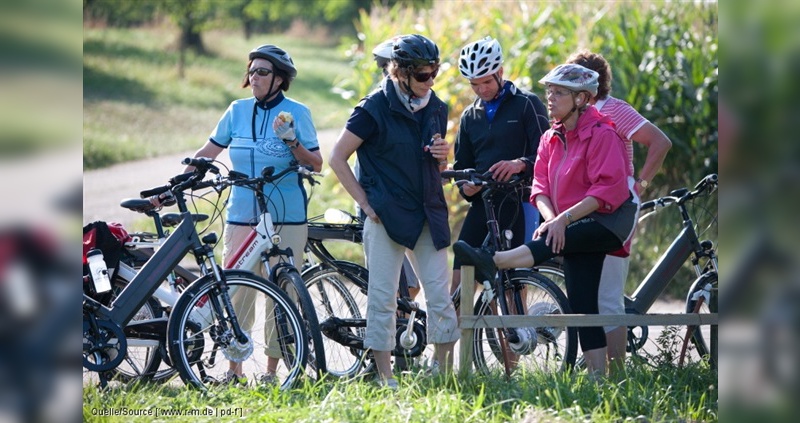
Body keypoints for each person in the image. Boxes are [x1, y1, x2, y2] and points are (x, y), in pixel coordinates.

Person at [453, 63, 639, 377]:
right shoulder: (550, 138)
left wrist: (561, 221)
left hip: (606, 222)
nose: (550, 98)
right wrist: (553, 219)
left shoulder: (602, 133)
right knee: (582, 304)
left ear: (581, 99)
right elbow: (539, 186)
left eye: (559, 92)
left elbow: (607, 189)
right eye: (549, 91)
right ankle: (599, 378)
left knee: (546, 245)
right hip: (570, 224)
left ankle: (495, 261)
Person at [186, 44, 323, 384]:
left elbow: (316, 163)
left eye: (263, 71)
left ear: (280, 79)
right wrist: (182, 176)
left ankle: (272, 371)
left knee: (282, 293)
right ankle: (235, 370)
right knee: (235, 293)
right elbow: (209, 152)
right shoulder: (236, 110)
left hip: (286, 216)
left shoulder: (297, 112)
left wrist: (292, 141)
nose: (254, 76)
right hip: (241, 215)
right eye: (251, 70)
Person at [329, 34, 459, 388]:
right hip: (386, 218)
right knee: (383, 300)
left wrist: (443, 156)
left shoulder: (437, 107)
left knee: (440, 297)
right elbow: (337, 158)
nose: (430, 81)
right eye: (422, 75)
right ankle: (385, 378)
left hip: (428, 214)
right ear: (399, 72)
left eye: (434, 73)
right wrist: (366, 203)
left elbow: (432, 162)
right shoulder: (372, 108)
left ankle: (441, 371)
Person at [567, 50, 672, 371]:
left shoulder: (613, 110)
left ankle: (617, 375)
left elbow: (660, 142)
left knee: (608, 295)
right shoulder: (575, 116)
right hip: (589, 207)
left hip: (616, 207)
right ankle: (598, 364)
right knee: (590, 291)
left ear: (589, 86)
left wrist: (639, 183)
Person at [450, 36, 550, 296]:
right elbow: (463, 165)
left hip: (520, 203)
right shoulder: (469, 116)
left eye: (486, 81)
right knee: (459, 288)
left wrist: (519, 164)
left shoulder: (527, 103)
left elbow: (548, 155)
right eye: (474, 84)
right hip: (483, 205)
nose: (481, 89)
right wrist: (465, 187)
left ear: (500, 72)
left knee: (511, 290)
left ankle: (515, 337)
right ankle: (451, 338)